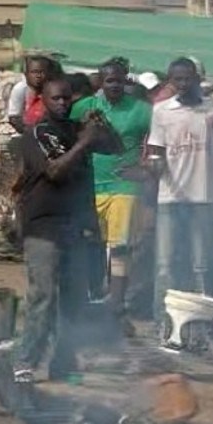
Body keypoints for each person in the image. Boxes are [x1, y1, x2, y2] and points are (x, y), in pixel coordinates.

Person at [15, 77, 120, 382]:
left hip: (75, 225)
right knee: (43, 296)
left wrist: (101, 126)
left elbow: (116, 147)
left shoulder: (75, 129)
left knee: (74, 297)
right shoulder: (37, 133)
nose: (62, 104)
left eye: (66, 99)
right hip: (44, 224)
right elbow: (55, 171)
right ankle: (26, 360)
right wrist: (86, 142)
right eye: (55, 99)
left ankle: (63, 361)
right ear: (44, 100)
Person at [146, 57, 213, 337]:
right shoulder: (161, 111)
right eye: (177, 80)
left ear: (196, 79)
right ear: (171, 81)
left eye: (187, 79)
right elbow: (156, 151)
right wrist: (154, 165)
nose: (182, 84)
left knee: (201, 264)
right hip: (170, 198)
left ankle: (199, 327)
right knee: (164, 265)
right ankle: (163, 324)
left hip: (203, 198)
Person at [70, 59, 153, 330]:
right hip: (91, 185)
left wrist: (145, 166)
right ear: (100, 82)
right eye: (109, 81)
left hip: (124, 186)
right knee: (91, 244)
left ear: (126, 81)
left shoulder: (142, 110)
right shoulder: (86, 107)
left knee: (120, 247)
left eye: (119, 80)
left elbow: (161, 139)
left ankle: (117, 306)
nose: (114, 85)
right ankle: (91, 301)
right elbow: (64, 131)